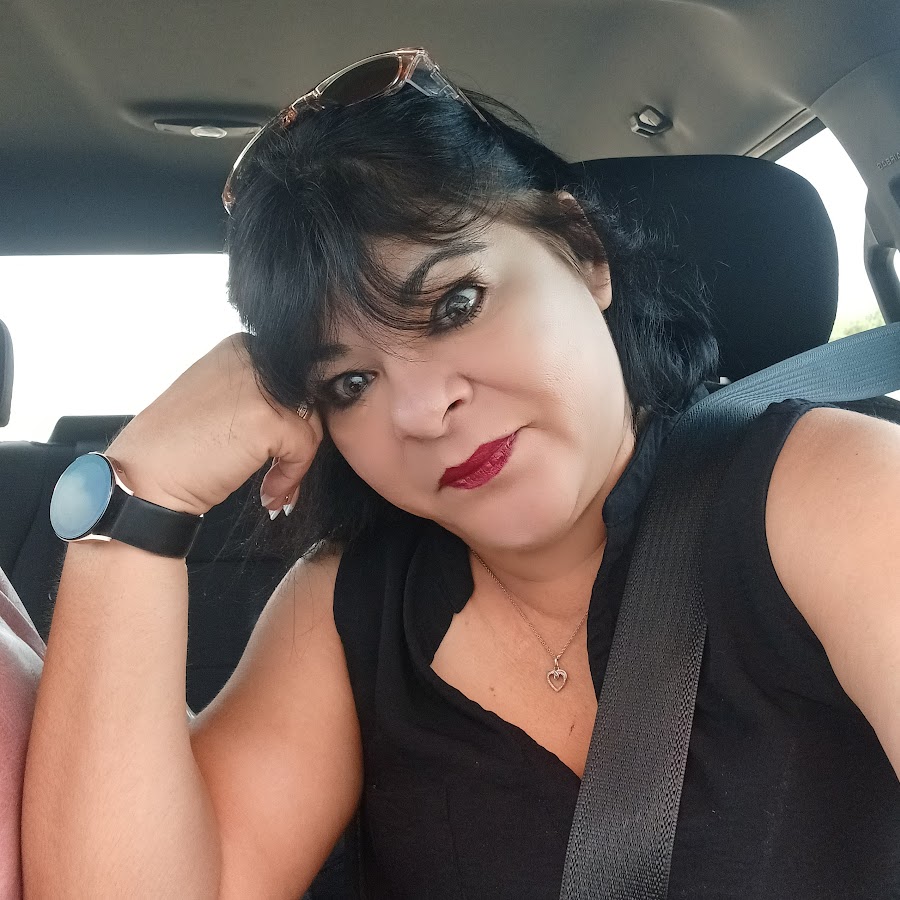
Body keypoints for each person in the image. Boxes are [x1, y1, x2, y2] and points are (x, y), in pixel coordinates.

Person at [22, 48, 900, 898]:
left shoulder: (832, 491)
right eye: (350, 383)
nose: (419, 410)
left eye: (455, 304)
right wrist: (143, 488)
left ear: (582, 252)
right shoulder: (350, 605)